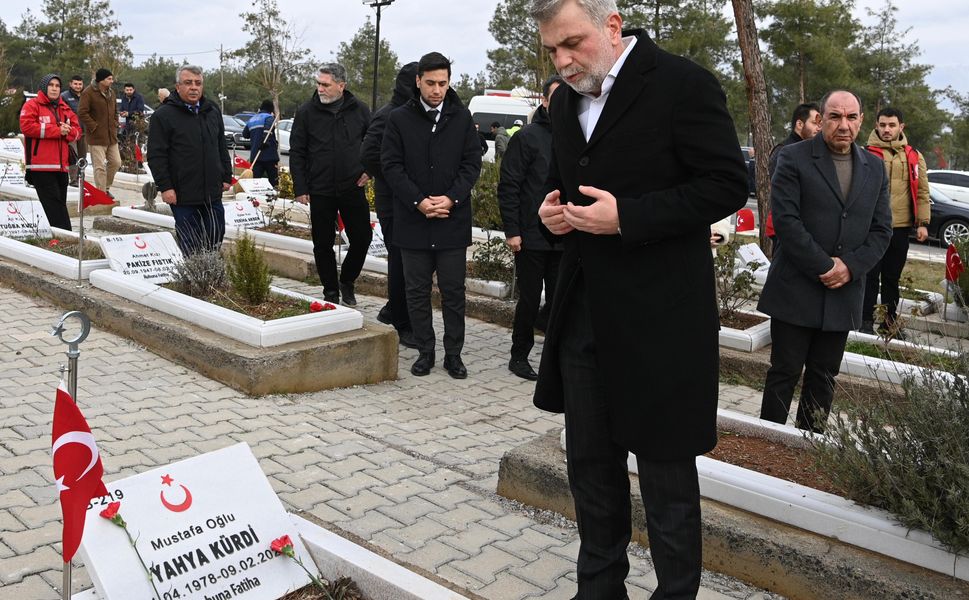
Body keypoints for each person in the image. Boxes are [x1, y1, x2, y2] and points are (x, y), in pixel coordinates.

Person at [530, 0, 749, 597]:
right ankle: (599, 589)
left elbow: (728, 183)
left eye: (572, 43)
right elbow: (568, 183)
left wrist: (627, 217)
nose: (563, 60)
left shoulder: (683, 83)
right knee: (592, 474)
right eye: (552, 50)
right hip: (584, 317)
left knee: (665, 479)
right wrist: (554, 213)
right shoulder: (569, 99)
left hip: (661, 322)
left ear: (613, 26)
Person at [758, 90, 892, 433]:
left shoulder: (875, 168)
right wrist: (824, 266)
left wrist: (848, 267)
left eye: (851, 117)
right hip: (796, 287)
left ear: (861, 121)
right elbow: (786, 221)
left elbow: (881, 230)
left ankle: (809, 445)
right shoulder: (794, 158)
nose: (843, 125)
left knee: (824, 375)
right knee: (784, 371)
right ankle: (770, 442)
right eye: (835, 116)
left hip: (843, 291)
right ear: (823, 118)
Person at [381, 51, 482, 379]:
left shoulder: (462, 117)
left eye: (443, 83)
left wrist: (451, 198)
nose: (437, 90)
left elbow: (471, 164)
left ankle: (454, 354)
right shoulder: (399, 118)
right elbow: (391, 166)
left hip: (452, 221)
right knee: (417, 291)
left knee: (453, 292)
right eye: (431, 83)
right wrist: (419, 201)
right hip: (414, 221)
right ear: (418, 81)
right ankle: (425, 350)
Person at [498, 74, 564, 381]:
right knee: (528, 298)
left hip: (566, 236)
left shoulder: (576, 136)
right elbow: (509, 186)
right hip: (531, 235)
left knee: (559, 300)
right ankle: (519, 356)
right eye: (556, 97)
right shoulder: (526, 137)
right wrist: (513, 231)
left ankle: (556, 357)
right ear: (545, 101)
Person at [290, 63, 372, 307]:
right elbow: (297, 152)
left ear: (341, 86)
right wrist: (300, 187)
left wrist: (370, 169)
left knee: (362, 238)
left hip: (352, 187)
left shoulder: (360, 110)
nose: (320, 89)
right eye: (318, 83)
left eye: (325, 85)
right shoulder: (306, 112)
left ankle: (347, 280)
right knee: (322, 243)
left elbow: (376, 142)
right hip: (320, 188)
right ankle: (330, 290)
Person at [361, 62, 419, 348]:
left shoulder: (412, 113)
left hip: (410, 200)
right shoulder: (388, 115)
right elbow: (369, 155)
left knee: (410, 260)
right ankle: (401, 320)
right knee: (399, 260)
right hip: (392, 200)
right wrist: (396, 179)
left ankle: (391, 309)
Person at [860, 106, 931, 337]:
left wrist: (922, 222)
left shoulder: (913, 155)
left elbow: (921, 192)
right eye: (882, 125)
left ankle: (889, 323)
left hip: (900, 229)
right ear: (876, 125)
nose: (886, 129)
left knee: (891, 277)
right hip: (871, 227)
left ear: (901, 127)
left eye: (892, 125)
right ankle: (864, 321)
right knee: (869, 275)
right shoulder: (864, 152)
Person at [147, 65, 232, 255]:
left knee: (215, 237)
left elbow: (220, 145)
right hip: (183, 194)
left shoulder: (212, 110)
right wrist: (166, 187)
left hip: (212, 191)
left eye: (198, 83)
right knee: (191, 244)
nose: (194, 87)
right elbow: (156, 155)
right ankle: (194, 280)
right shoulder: (163, 115)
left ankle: (212, 278)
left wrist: (226, 175)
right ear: (178, 87)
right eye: (188, 83)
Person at [20, 73, 82, 230]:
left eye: (57, 86)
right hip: (41, 167)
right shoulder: (32, 105)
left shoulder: (64, 107)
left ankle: (57, 237)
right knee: (54, 206)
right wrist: (56, 130)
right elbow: (26, 127)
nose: (54, 89)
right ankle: (67, 238)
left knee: (60, 204)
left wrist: (68, 132)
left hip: (62, 167)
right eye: (51, 85)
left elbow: (77, 132)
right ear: (44, 87)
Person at [78, 68, 121, 198]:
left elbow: (115, 111)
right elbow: (82, 112)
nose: (112, 81)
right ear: (101, 80)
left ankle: (106, 188)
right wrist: (94, 126)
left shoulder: (111, 93)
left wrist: (115, 122)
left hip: (111, 136)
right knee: (99, 167)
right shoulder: (88, 93)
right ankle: (101, 194)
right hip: (96, 137)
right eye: (109, 79)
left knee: (116, 163)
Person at [769, 102, 822, 176]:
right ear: (799, 124)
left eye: (820, 124)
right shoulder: (783, 151)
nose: (819, 128)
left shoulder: (814, 150)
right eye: (814, 123)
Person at [243, 100, 280, 187]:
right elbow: (267, 131)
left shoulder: (252, 119)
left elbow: (245, 134)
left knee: (256, 183)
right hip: (269, 156)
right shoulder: (269, 118)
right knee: (274, 182)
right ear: (271, 109)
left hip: (256, 156)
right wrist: (264, 141)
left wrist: (255, 136)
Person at [60, 75, 86, 187]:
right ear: (70, 84)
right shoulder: (64, 96)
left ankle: (81, 178)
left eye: (80, 84)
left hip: (83, 131)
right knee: (73, 156)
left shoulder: (85, 96)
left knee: (82, 155)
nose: (78, 86)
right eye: (75, 84)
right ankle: (73, 179)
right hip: (71, 132)